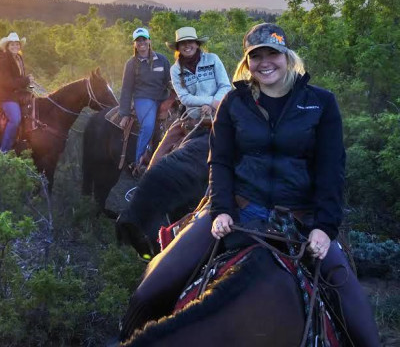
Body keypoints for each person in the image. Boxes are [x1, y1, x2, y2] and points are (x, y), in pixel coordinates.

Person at [118, 23, 379, 347]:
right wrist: (222, 210)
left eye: (273, 53)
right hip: (237, 212)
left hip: (300, 221)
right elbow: (220, 161)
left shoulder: (321, 104)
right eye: (257, 55)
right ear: (248, 61)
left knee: (362, 329)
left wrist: (324, 227)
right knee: (148, 291)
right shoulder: (234, 103)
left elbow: (331, 171)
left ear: (288, 56)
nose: (265, 62)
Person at [148, 26, 231, 166]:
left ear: (197, 44)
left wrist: (215, 103)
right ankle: (148, 176)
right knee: (161, 151)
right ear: (178, 47)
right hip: (192, 119)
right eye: (182, 43)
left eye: (190, 41)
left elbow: (225, 86)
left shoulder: (212, 59)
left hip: (220, 113)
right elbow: (184, 97)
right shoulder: (175, 70)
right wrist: (210, 102)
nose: (187, 45)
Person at [118, 27, 171, 170]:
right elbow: (126, 89)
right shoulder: (131, 64)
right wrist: (124, 113)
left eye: (144, 39)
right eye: (138, 40)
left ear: (149, 40)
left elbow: (169, 80)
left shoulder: (162, 60)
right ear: (134, 44)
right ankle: (139, 162)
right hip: (144, 98)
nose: (141, 42)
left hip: (163, 97)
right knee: (147, 125)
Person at [0, 32, 33, 152]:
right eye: (12, 44)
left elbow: (18, 77)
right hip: (6, 96)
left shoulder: (18, 58)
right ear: (7, 46)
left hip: (16, 94)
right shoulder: (4, 60)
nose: (15, 46)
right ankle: (3, 150)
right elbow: (6, 82)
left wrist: (27, 83)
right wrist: (26, 80)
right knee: (15, 119)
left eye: (17, 44)